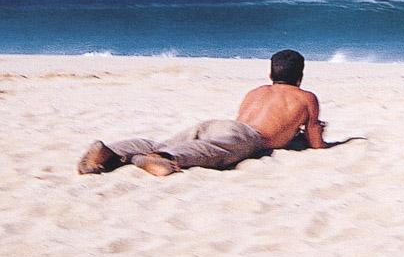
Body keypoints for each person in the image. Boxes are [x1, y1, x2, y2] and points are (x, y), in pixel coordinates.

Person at [76, 49, 326, 177]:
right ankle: (165, 158)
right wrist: (315, 138)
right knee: (212, 151)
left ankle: (111, 151)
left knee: (163, 141)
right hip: (250, 136)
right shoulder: (306, 97)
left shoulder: (256, 91)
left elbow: (246, 121)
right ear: (301, 76)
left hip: (219, 124)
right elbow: (315, 143)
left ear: (270, 74)